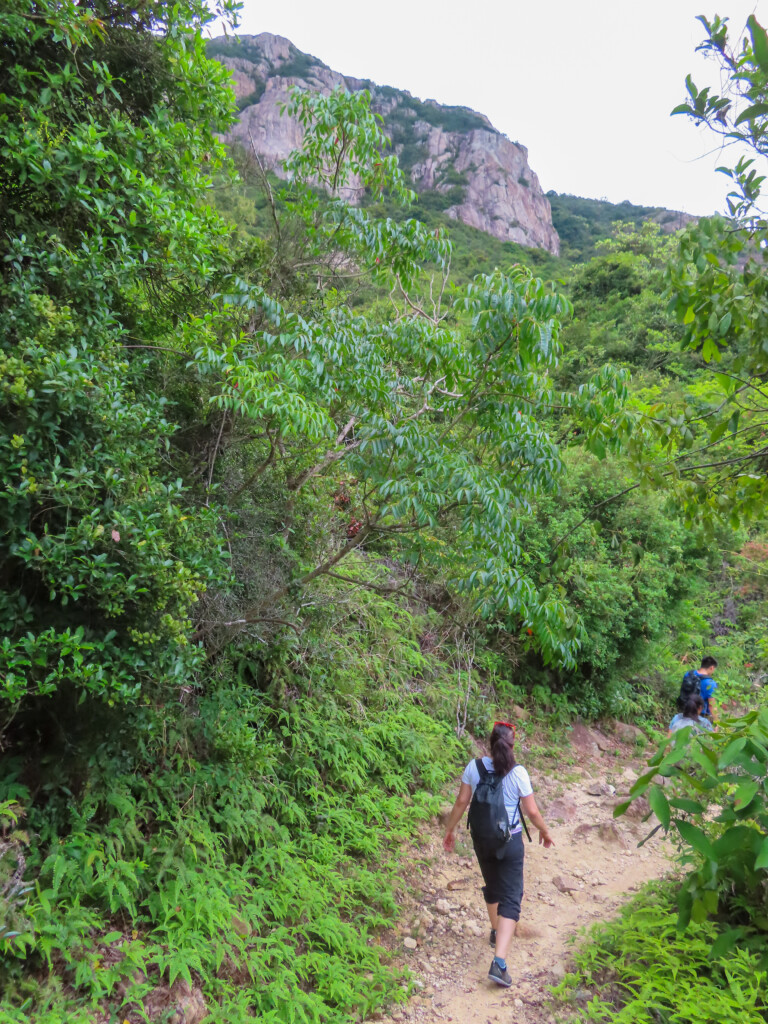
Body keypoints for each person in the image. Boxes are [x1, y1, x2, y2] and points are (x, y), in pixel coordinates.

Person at [442, 721, 553, 989]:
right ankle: (499, 963)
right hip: (509, 841)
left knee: (493, 884)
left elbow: (461, 802)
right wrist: (544, 831)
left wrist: (450, 830)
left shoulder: (474, 767)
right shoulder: (518, 773)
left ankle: (495, 930)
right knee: (511, 897)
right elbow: (532, 811)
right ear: (512, 746)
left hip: (482, 839)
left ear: (489, 743)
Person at [678, 656, 718, 722]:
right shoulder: (711, 683)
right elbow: (712, 705)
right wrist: (717, 722)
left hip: (684, 709)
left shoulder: (688, 674)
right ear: (712, 668)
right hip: (699, 714)